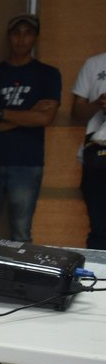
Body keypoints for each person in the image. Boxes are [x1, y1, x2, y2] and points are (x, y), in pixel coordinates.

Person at [0, 14, 61, 242]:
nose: (21, 39)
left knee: (21, 233)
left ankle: (19, 278)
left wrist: (1, 114)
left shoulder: (48, 75)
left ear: (35, 38)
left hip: (27, 163)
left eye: (28, 33)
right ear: (8, 36)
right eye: (16, 33)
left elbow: (45, 119)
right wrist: (28, 114)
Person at [71, 51, 106, 249]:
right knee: (99, 229)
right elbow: (76, 112)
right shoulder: (94, 63)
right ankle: (100, 278)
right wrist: (98, 104)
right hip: (98, 156)